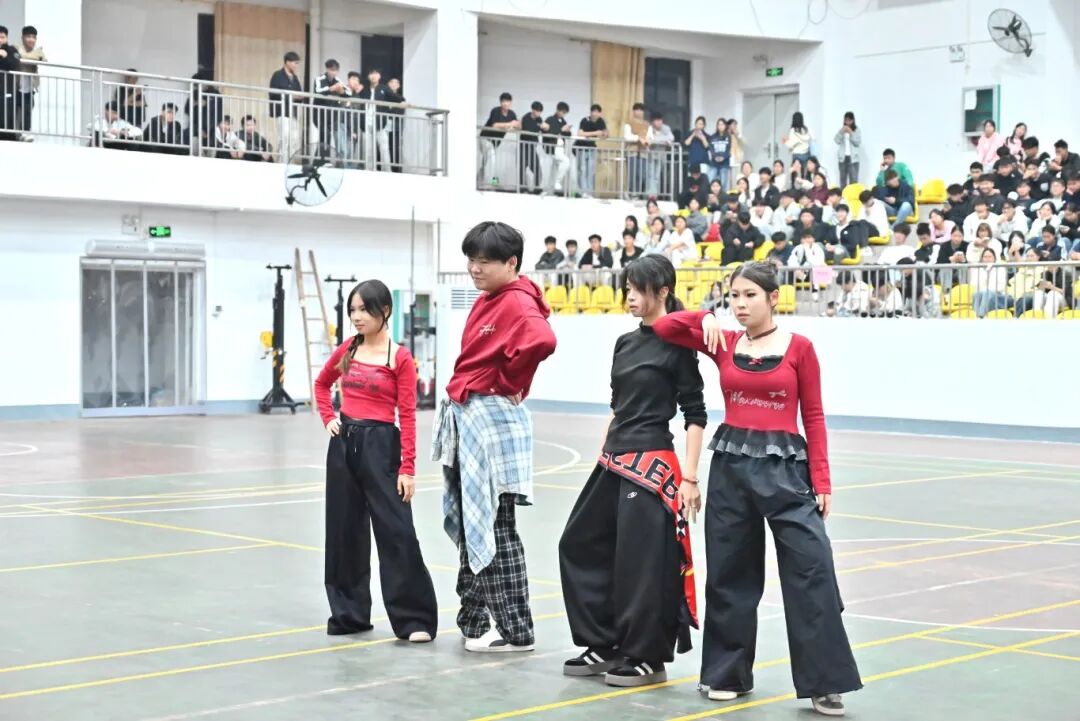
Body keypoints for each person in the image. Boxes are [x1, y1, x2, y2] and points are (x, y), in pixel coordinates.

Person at [653, 262, 862, 716]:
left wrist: (822, 480)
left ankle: (825, 682)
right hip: (731, 469)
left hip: (786, 473)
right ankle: (725, 674)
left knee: (812, 570)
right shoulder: (725, 342)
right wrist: (705, 316)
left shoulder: (800, 348)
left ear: (773, 298)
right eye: (734, 296)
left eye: (750, 295)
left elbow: (814, 416)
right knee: (729, 574)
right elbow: (666, 326)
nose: (740, 304)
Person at [560, 254, 705, 687]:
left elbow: (695, 414)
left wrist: (690, 477)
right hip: (614, 458)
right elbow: (617, 405)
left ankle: (647, 656)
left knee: (640, 563)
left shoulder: (679, 345)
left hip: (652, 461)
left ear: (662, 291)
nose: (630, 297)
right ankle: (604, 642)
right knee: (579, 543)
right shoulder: (624, 343)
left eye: (639, 290)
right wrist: (603, 453)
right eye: (627, 289)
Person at [432, 221, 558, 653]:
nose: (475, 268)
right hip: (472, 416)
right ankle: (475, 621)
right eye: (471, 259)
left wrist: (509, 380)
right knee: (478, 524)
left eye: (485, 261)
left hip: (489, 418)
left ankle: (515, 630)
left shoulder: (517, 301)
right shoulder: (490, 298)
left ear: (511, 263)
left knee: (494, 526)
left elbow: (542, 340)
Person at [314, 279, 438, 642]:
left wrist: (407, 468)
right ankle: (349, 614)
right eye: (352, 310)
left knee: (397, 531)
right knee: (344, 531)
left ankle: (414, 619)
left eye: (364, 310)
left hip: (381, 445)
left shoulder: (399, 358)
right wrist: (328, 417)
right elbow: (321, 384)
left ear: (385, 311)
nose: (357, 317)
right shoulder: (348, 349)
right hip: (344, 444)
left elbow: (408, 414)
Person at [269, 51, 303, 160]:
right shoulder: (277, 75)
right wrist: (290, 97)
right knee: (284, 138)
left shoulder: (295, 77)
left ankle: (289, 161)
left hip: (293, 113)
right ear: (287, 62)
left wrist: (299, 97)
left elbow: (300, 93)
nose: (296, 65)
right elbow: (273, 93)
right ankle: (281, 162)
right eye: (295, 63)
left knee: (294, 139)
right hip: (282, 112)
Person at [15, 26, 45, 138]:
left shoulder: (38, 50)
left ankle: (25, 134)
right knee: (12, 113)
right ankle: (11, 136)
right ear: (22, 37)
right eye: (28, 36)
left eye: (34, 37)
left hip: (30, 89)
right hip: (15, 87)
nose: (31, 39)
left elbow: (44, 60)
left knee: (27, 112)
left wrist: (25, 58)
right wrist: (33, 58)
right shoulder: (16, 47)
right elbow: (17, 57)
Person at [576, 104, 607, 197]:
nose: (595, 114)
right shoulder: (585, 120)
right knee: (582, 170)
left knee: (590, 171)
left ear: (600, 113)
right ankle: (582, 192)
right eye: (593, 111)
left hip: (592, 148)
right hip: (581, 147)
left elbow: (605, 133)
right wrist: (595, 133)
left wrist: (604, 133)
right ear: (590, 112)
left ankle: (589, 192)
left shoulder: (601, 121)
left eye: (597, 112)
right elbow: (580, 133)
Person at [0, 26, 20, 142]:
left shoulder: (12, 50)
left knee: (6, 120)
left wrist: (5, 56)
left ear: (7, 38)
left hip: (7, 92)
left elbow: (15, 65)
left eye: (2, 37)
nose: (0, 40)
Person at [834, 112, 861, 187]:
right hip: (843, 158)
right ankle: (843, 194)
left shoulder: (857, 130)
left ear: (853, 120)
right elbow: (836, 140)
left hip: (853, 158)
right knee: (842, 179)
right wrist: (841, 132)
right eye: (846, 120)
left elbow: (857, 142)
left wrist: (851, 132)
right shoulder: (841, 130)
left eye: (849, 120)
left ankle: (853, 194)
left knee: (853, 180)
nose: (847, 122)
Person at [708, 118, 731, 189]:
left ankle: (723, 195)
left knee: (723, 183)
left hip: (725, 163)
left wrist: (723, 157)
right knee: (710, 180)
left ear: (725, 126)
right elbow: (711, 148)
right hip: (714, 163)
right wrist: (715, 157)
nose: (720, 126)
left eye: (722, 124)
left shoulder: (728, 137)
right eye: (719, 124)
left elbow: (729, 149)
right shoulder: (713, 137)